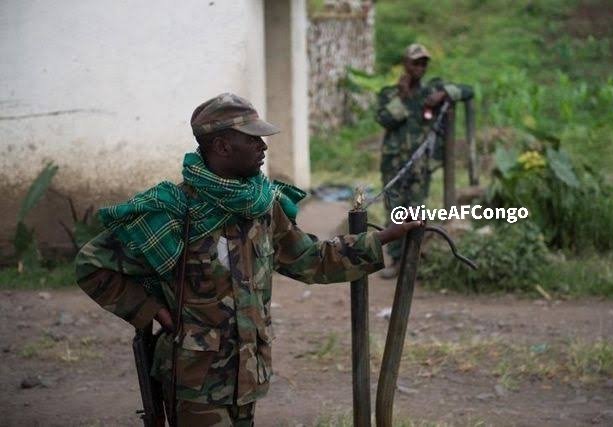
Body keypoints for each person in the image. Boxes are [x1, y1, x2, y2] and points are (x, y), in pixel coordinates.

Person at [75, 93, 421, 426]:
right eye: (253, 140)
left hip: (248, 374)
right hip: (195, 379)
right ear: (222, 146)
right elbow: (92, 265)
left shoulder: (263, 205)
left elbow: (310, 259)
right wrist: (152, 311)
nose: (264, 147)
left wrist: (379, 240)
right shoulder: (171, 210)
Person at [375, 43, 470, 279]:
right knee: (395, 211)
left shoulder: (432, 89)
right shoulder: (389, 93)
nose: (420, 67)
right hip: (394, 165)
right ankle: (397, 261)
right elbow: (385, 119)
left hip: (420, 165)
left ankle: (414, 261)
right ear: (406, 64)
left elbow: (468, 90)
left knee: (417, 210)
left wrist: (444, 94)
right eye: (415, 62)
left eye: (424, 63)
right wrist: (403, 97)